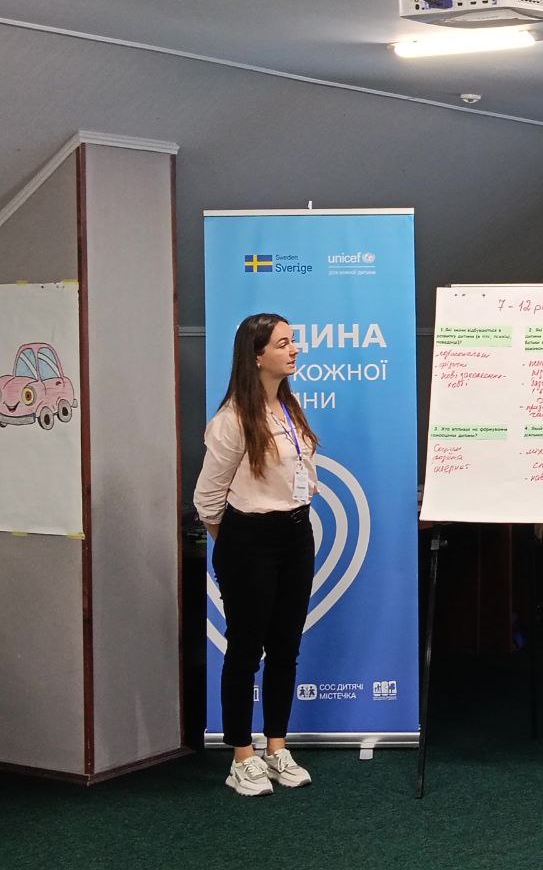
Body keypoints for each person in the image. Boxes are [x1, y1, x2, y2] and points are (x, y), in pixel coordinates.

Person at [194, 312, 320, 796]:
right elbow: (208, 499)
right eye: (283, 343)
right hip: (248, 539)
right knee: (246, 648)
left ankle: (276, 748)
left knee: (286, 646)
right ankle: (241, 756)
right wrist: (234, 548)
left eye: (293, 341)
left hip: (296, 535)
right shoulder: (231, 421)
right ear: (256, 356)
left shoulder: (288, 407)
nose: (294, 350)